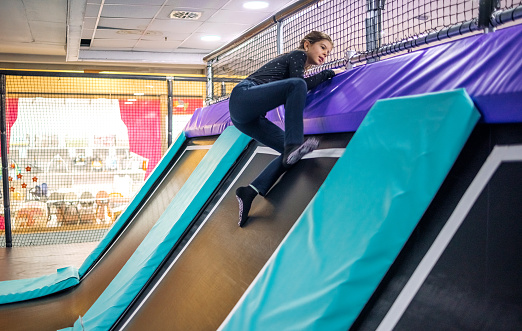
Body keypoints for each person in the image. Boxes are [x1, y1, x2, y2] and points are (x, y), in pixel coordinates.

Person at [229, 31, 344, 227]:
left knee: (290, 155)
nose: (325, 54)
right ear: (307, 45)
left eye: (329, 52)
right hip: (243, 97)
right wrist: (327, 74)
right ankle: (293, 143)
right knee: (297, 86)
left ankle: (250, 191)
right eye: (323, 48)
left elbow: (298, 86)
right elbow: (299, 85)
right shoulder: (297, 55)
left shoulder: (299, 68)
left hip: (248, 119)